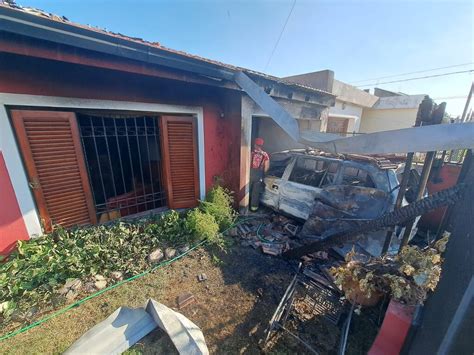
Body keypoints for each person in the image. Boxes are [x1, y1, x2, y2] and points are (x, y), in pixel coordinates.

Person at [250, 137, 270, 211]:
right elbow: (266, 167)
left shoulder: (251, 153)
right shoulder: (265, 155)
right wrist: (263, 173)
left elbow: (247, 163)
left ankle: (244, 205)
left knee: (247, 190)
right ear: (262, 145)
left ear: (255, 144)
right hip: (258, 175)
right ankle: (253, 208)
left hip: (250, 173)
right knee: (255, 192)